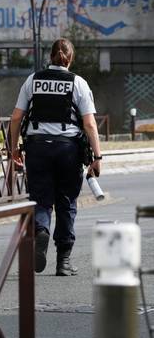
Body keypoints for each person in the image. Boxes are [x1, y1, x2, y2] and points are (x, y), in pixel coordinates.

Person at [9, 38, 102, 277]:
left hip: (37, 148)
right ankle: (64, 261)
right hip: (68, 149)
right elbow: (90, 124)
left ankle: (41, 230)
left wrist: (14, 148)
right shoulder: (78, 83)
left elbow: (16, 118)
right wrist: (97, 156)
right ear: (69, 59)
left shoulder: (33, 80)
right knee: (66, 203)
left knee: (40, 198)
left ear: (50, 57)